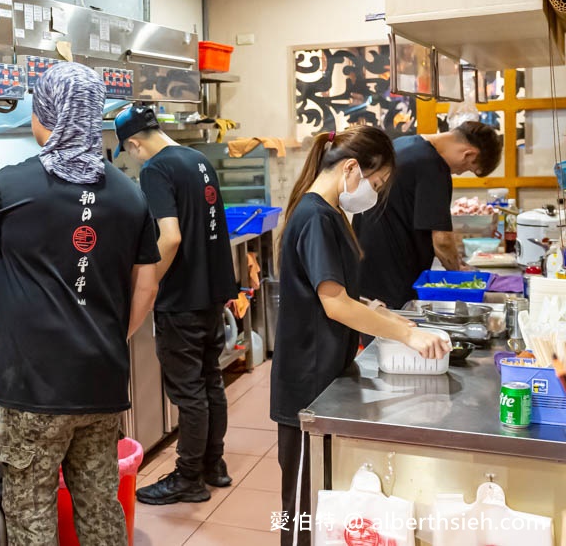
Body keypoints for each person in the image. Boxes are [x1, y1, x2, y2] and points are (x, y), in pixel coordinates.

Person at [0, 63, 160, 546]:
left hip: (35, 389)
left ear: (51, 116)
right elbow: (147, 286)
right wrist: (112, 337)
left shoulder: (13, 183)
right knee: (101, 506)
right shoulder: (130, 195)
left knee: (31, 511)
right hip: (101, 381)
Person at [273, 126, 450, 546]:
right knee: (300, 512)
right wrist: (407, 337)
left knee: (321, 503)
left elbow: (335, 294)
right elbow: (334, 303)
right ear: (351, 168)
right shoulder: (315, 214)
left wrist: (372, 310)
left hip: (326, 372)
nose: (374, 191)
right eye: (377, 182)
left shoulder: (332, 213)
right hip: (305, 381)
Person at [113, 105, 239, 506]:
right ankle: (212, 465)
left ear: (133, 143)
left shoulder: (155, 170)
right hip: (210, 292)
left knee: (189, 393)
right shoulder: (197, 159)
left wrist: (147, 282)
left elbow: (170, 237)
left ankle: (187, 478)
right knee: (209, 382)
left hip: (181, 298)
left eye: (128, 151)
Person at [353, 121, 503, 312]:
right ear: (469, 154)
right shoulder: (433, 166)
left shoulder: (404, 144)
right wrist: (458, 274)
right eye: (466, 168)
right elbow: (442, 241)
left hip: (366, 268)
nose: (458, 172)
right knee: (391, 338)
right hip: (394, 278)